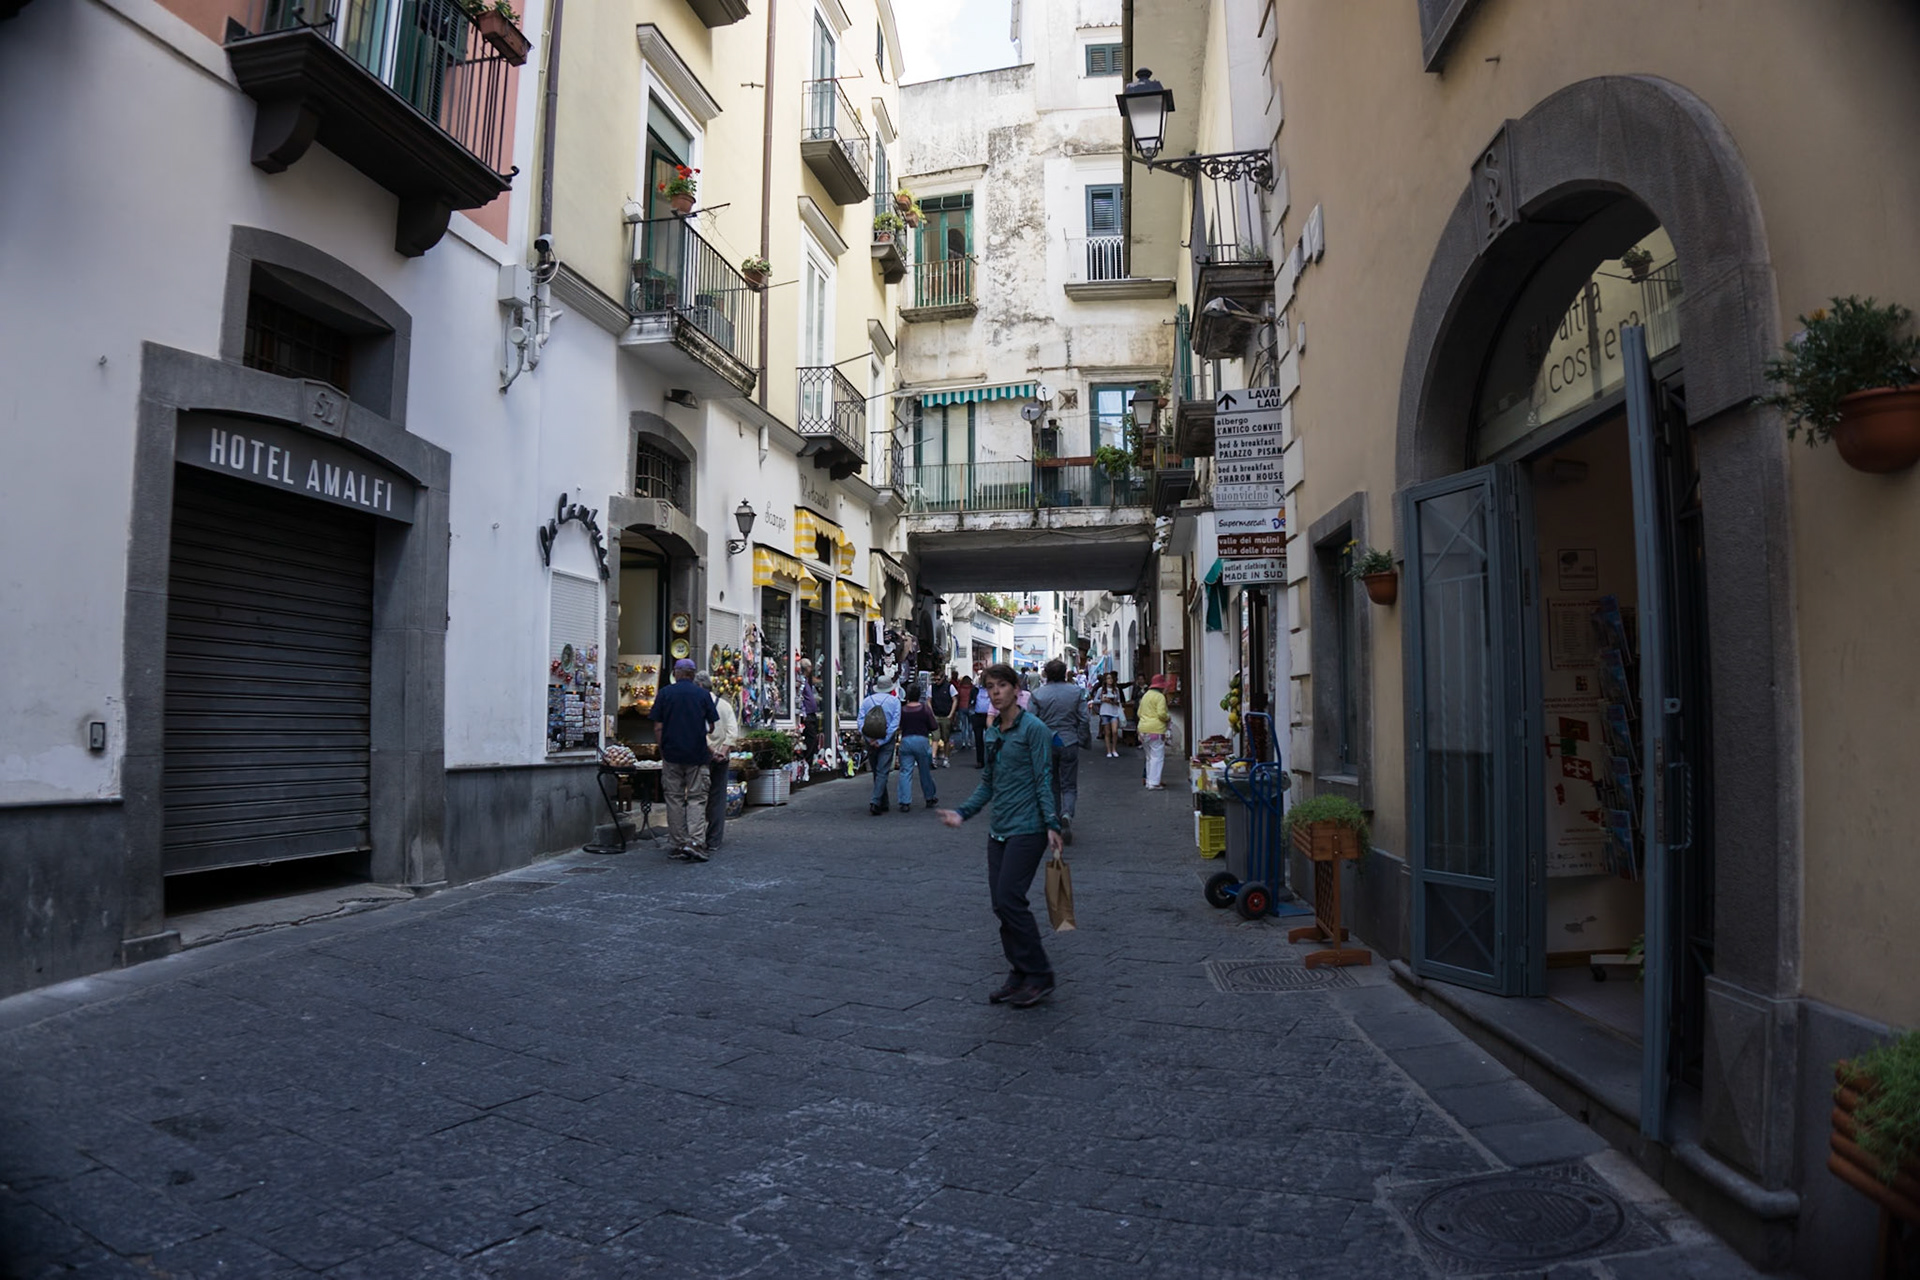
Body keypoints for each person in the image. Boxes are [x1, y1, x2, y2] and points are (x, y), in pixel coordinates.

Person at [938, 663, 1063, 1009]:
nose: (995, 692)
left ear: (1015, 688)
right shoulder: (993, 734)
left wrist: (1052, 824)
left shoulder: (1034, 729)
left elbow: (1043, 778)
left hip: (1029, 829)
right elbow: (988, 784)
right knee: (1001, 905)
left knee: (1010, 900)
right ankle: (1020, 972)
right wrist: (962, 813)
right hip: (1000, 830)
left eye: (1001, 686)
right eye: (989, 687)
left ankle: (1040, 974)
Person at [651, 658, 718, 860]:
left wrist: (663, 749)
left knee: (674, 798)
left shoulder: (664, 694)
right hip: (697, 755)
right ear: (693, 673)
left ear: (676, 673)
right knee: (697, 798)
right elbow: (712, 726)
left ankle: (678, 843)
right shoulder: (703, 695)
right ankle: (696, 842)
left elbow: (657, 726)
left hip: (671, 753)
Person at [1029, 658, 1090, 845]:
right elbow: (1085, 718)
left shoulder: (1038, 694)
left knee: (1051, 783)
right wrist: (1081, 738)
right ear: (1065, 673)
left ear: (1046, 673)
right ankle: (1067, 814)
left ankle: (1054, 818)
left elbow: (1030, 721)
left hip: (1047, 743)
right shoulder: (1076, 692)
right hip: (1069, 740)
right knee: (1069, 785)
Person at [695, 670, 738, 856]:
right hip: (722, 757)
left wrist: (711, 750)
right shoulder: (725, 706)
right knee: (718, 797)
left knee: (698, 797)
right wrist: (723, 751)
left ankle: (696, 837)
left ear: (699, 687)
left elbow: (697, 732)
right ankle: (714, 839)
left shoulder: (697, 705)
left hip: (702, 756)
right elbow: (733, 732)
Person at [858, 682, 902, 815]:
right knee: (882, 771)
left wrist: (868, 739)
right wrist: (883, 740)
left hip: (870, 739)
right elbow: (895, 724)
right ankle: (876, 801)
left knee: (877, 772)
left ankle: (883, 802)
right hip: (886, 741)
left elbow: (860, 721)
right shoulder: (895, 702)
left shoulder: (867, 701)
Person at [895, 684, 939, 812]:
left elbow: (898, 725)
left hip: (907, 740)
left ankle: (904, 801)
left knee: (905, 771)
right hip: (922, 740)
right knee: (924, 771)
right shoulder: (925, 709)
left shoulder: (903, 710)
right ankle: (929, 796)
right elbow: (934, 726)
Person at [1138, 674, 1171, 790]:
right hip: (1156, 730)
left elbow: (1139, 713)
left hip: (1143, 729)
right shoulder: (1160, 697)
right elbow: (1161, 714)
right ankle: (1154, 782)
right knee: (1157, 756)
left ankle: (1148, 780)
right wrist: (1168, 717)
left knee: (1149, 757)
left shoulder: (1145, 696)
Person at [928, 671, 957, 768]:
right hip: (936, 715)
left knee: (946, 739)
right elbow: (928, 700)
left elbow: (955, 700)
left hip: (945, 716)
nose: (936, 682)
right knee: (935, 738)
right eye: (934, 679)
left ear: (943, 678)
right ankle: (934, 758)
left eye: (938, 679)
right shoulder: (931, 688)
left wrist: (951, 714)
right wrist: (931, 713)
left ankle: (946, 757)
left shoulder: (950, 687)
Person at [1095, 672, 1127, 758]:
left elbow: (1119, 701)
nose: (1110, 680)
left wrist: (1114, 701)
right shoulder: (1101, 690)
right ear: (1105, 680)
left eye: (1111, 678)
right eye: (1108, 678)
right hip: (1105, 712)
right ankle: (1109, 750)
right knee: (1107, 732)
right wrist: (1102, 700)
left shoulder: (1116, 690)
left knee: (1115, 731)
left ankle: (1114, 749)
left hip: (1114, 712)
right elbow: (1095, 700)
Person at [968, 677, 993, 768]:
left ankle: (991, 760)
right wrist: (971, 713)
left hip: (989, 716)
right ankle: (980, 761)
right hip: (977, 716)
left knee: (991, 739)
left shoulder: (992, 689)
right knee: (978, 740)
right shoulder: (975, 690)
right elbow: (971, 702)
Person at [953, 673, 975, 754]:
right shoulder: (972, 688)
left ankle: (963, 741)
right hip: (970, 707)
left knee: (963, 725)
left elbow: (957, 698)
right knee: (970, 725)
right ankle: (969, 741)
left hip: (961, 707)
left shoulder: (960, 688)